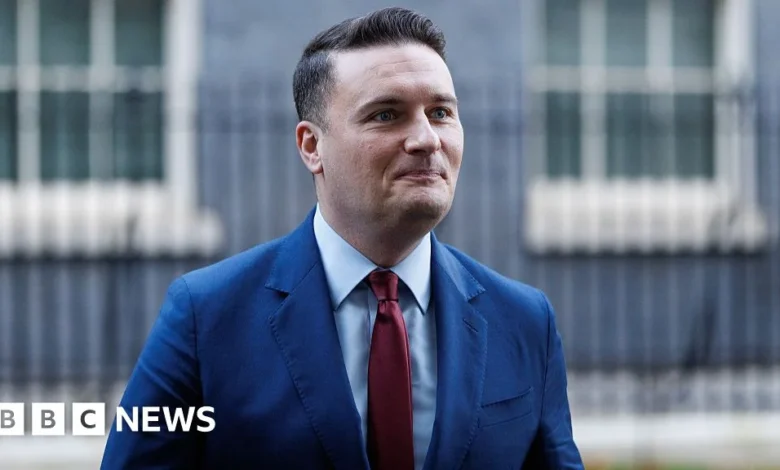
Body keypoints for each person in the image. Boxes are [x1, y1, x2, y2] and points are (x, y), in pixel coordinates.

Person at [100, 7, 583, 469]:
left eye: (440, 112)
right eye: (386, 115)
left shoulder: (525, 321)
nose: (426, 139)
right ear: (312, 146)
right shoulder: (205, 317)